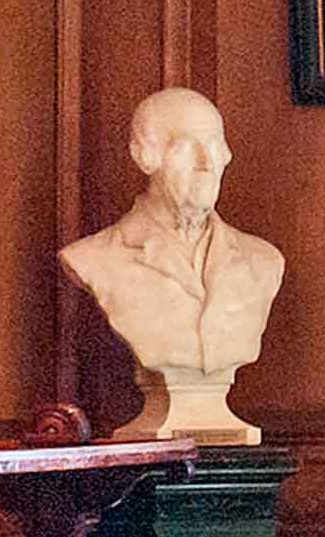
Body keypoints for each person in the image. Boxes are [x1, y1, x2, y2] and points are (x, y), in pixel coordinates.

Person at [59, 86, 286, 445]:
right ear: (143, 156)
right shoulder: (95, 259)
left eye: (214, 145)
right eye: (186, 146)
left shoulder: (264, 261)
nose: (206, 163)